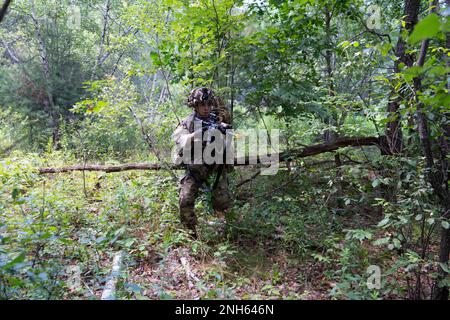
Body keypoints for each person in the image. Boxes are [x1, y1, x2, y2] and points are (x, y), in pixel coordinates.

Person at [172, 87, 233, 238]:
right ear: (195, 106)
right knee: (185, 200)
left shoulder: (218, 120)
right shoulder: (188, 122)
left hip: (216, 167)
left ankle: (222, 232)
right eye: (202, 105)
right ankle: (191, 235)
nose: (206, 108)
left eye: (209, 104)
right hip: (195, 168)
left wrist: (222, 132)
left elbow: (229, 141)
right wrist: (194, 136)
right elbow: (178, 140)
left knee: (222, 201)